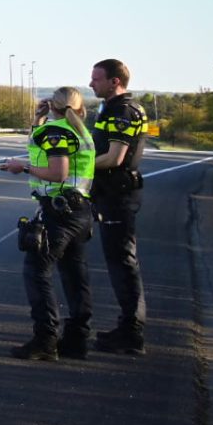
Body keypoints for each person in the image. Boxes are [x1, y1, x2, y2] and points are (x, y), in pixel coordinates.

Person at [0, 87, 96, 360]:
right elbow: (47, 150)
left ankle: (46, 339)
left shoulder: (56, 131)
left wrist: (24, 167)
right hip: (81, 211)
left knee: (36, 271)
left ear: (53, 105)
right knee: (75, 275)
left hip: (59, 212)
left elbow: (57, 172)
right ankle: (77, 340)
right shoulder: (79, 131)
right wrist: (38, 120)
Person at [88, 59, 149, 354]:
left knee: (122, 262)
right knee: (120, 261)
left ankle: (131, 333)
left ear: (115, 81)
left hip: (118, 194)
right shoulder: (114, 108)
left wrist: (78, 167)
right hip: (112, 193)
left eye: (96, 79)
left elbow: (115, 158)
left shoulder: (122, 110)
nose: (90, 84)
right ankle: (127, 328)